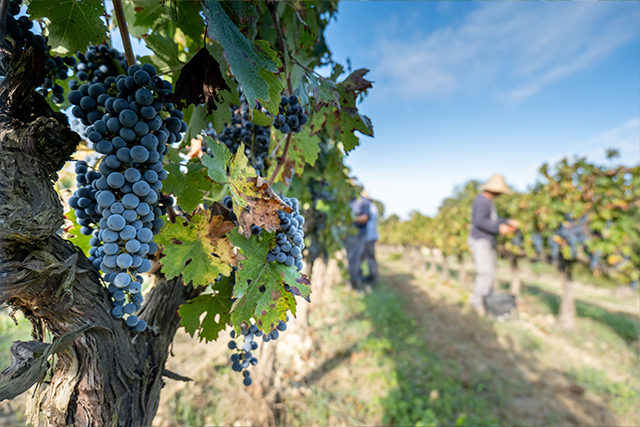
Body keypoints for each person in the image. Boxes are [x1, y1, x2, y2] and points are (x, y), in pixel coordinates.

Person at [468, 175, 519, 315]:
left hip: (486, 241)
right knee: (485, 272)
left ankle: (487, 302)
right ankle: (478, 304)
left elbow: (493, 219)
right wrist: (499, 228)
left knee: (490, 272)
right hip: (480, 241)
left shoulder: (488, 201)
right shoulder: (482, 201)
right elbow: (480, 221)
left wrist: (507, 221)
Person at [344, 192, 370, 290]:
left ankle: (355, 285)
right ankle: (352, 281)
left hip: (359, 234)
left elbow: (365, 217)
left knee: (355, 258)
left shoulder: (363, 201)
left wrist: (351, 219)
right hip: (347, 234)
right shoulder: (346, 200)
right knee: (349, 258)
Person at [360, 191, 379, 284]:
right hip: (371, 236)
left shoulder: (368, 206)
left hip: (368, 236)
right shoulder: (373, 206)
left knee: (367, 257)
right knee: (368, 257)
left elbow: (366, 220)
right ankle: (371, 278)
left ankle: (373, 279)